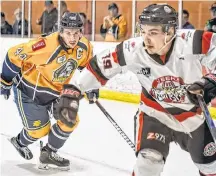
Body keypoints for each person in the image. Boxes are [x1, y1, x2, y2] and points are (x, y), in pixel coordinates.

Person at [55, 4, 216, 176]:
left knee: (210, 166)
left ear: (169, 32)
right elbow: (99, 65)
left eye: (153, 33)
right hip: (155, 115)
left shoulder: (194, 41)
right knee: (148, 164)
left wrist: (211, 80)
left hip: (193, 116)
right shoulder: (133, 49)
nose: (146, 39)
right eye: (143, 31)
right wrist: (75, 89)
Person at [0, 13, 98, 170]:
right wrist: (5, 81)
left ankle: (49, 153)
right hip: (29, 91)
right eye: (68, 33)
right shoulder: (45, 46)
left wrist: (92, 86)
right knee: (40, 131)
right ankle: (19, 141)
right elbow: (13, 55)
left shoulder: (84, 47)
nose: (72, 38)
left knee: (70, 120)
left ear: (81, 31)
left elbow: (88, 66)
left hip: (56, 93)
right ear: (61, 31)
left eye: (76, 33)